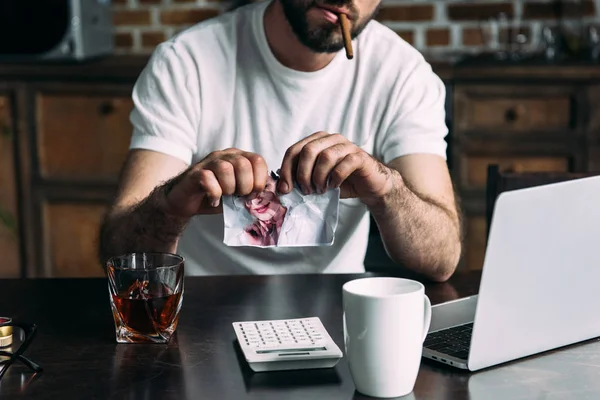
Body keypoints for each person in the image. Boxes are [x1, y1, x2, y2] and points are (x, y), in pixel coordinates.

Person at [98, 0, 462, 281]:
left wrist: (385, 187)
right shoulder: (185, 62)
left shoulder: (402, 74)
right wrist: (175, 201)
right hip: (203, 314)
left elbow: (442, 260)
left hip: (336, 313)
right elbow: (118, 253)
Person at [225, 171, 339, 247]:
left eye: (265, 187)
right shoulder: (249, 232)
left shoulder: (305, 222)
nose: (256, 200)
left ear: (278, 185)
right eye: (245, 194)